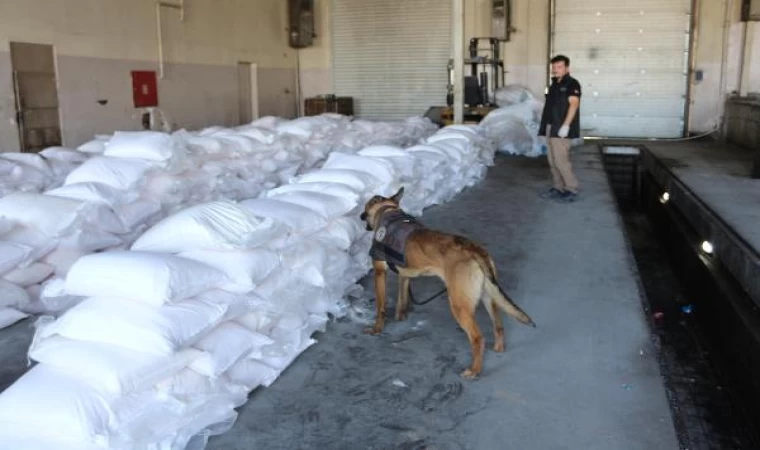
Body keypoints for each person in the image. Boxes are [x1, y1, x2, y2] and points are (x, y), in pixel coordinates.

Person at [539, 54, 581, 203]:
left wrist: (566, 125)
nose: (555, 69)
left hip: (561, 128)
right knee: (552, 161)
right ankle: (558, 187)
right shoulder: (554, 85)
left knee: (561, 161)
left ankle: (571, 189)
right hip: (551, 126)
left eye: (559, 67)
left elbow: (574, 104)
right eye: (554, 67)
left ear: (567, 68)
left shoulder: (572, 84)